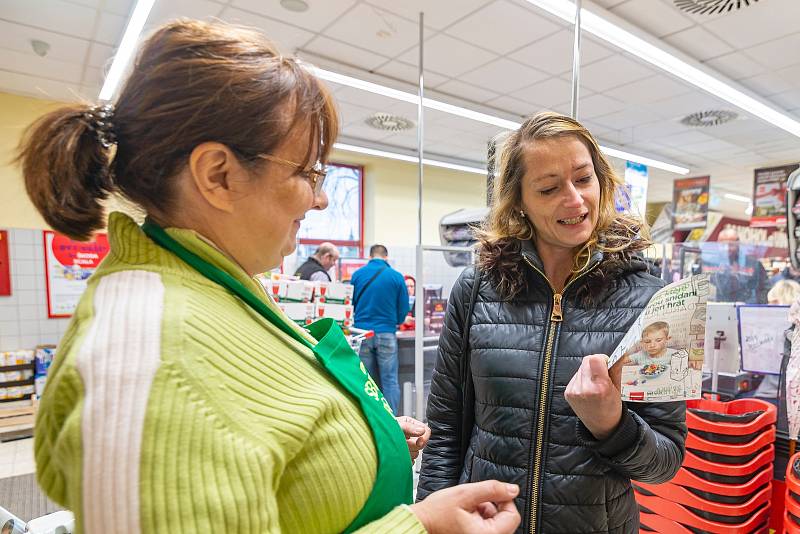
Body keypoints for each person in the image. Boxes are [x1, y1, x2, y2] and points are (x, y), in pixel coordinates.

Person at [19, 19, 521, 534]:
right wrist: (423, 527)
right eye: (306, 174)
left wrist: (361, 438)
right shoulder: (156, 354)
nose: (321, 198)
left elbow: (263, 427)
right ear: (218, 175)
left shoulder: (219, 281)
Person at [418, 112, 687, 533]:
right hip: (488, 523)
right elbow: (447, 430)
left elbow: (665, 462)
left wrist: (611, 424)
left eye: (583, 179)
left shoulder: (652, 301)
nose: (576, 201)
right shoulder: (475, 290)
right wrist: (430, 524)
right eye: (548, 188)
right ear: (520, 201)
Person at [351, 244, 409, 414]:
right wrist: (396, 321)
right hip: (387, 333)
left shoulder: (357, 275)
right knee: (390, 380)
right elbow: (403, 308)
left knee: (364, 380)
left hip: (362, 333)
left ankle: (367, 419)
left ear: (370, 257)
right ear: (386, 257)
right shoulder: (397, 277)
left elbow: (351, 303)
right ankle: (392, 423)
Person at [708, 227, 769, 303]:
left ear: (738, 244)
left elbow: (765, 288)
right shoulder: (711, 263)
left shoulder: (753, 264)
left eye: (731, 245)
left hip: (746, 310)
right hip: (720, 309)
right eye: (722, 245)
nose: (727, 249)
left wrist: (758, 307)